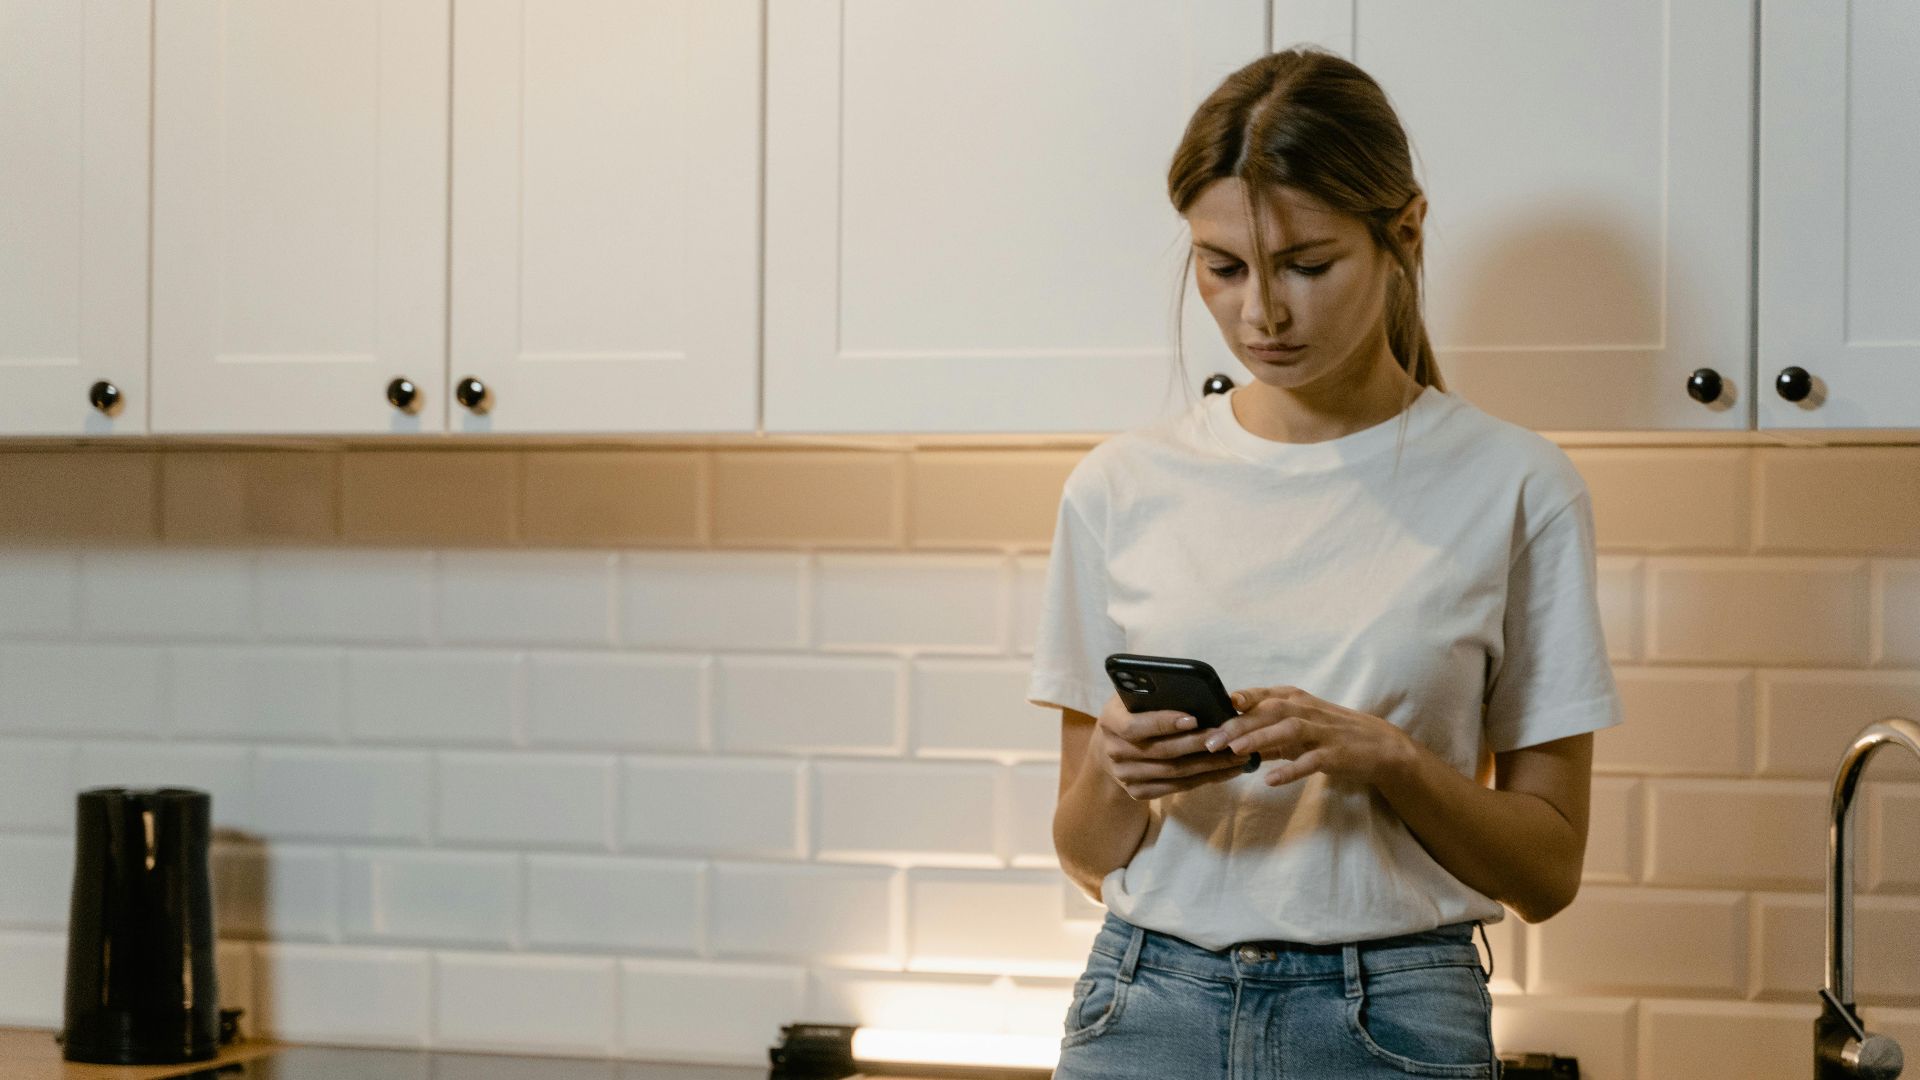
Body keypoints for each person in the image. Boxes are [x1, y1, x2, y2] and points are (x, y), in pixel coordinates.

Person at [1024, 46, 1623, 1079]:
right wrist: (1122, 771)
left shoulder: (1518, 485)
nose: (1262, 313)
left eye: (1307, 263)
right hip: (1143, 1004)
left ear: (1405, 233)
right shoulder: (1117, 487)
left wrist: (1391, 760)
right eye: (1223, 268)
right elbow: (1085, 854)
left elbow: (1547, 869)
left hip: (1392, 1017)